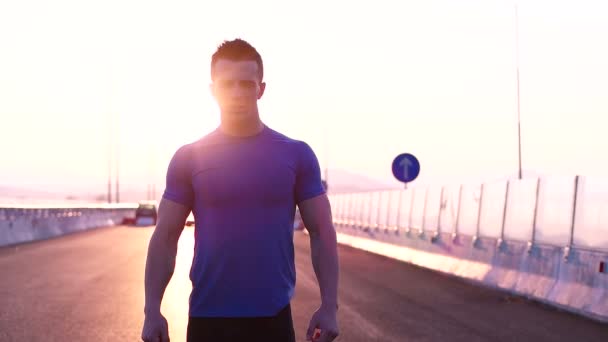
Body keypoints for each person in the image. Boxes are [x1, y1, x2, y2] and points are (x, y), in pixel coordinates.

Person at [141, 38, 340, 342]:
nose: (236, 93)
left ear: (261, 88)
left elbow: (322, 232)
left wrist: (329, 307)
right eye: (227, 84)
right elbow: (166, 235)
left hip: (273, 319)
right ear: (212, 90)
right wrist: (152, 310)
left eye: (246, 84)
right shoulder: (189, 157)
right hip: (208, 320)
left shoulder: (296, 155)